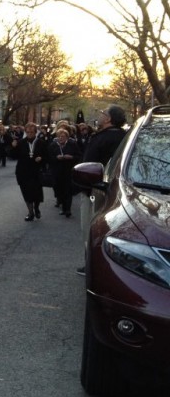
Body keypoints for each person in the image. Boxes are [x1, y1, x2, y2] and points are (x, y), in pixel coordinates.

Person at [77, 105, 127, 274]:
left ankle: (92, 264)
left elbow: (89, 164)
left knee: (90, 228)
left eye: (103, 113)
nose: (100, 115)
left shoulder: (101, 138)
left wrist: (84, 186)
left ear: (109, 119)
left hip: (96, 189)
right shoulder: (126, 136)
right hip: (121, 189)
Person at [10, 122, 49, 221]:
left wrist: (41, 158)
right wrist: (13, 147)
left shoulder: (41, 143)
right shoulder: (21, 142)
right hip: (23, 171)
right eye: (27, 132)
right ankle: (30, 212)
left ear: (35, 132)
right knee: (26, 192)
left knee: (36, 193)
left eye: (31, 132)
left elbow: (48, 157)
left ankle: (36, 208)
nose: (29, 134)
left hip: (36, 171)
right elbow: (13, 156)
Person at [47, 127, 82, 217]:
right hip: (57, 172)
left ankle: (68, 210)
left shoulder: (72, 144)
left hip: (68, 171)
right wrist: (56, 158)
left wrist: (71, 157)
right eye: (59, 136)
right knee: (60, 190)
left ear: (67, 137)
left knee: (68, 190)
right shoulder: (53, 145)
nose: (61, 138)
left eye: (63, 136)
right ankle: (63, 207)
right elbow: (49, 158)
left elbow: (79, 156)